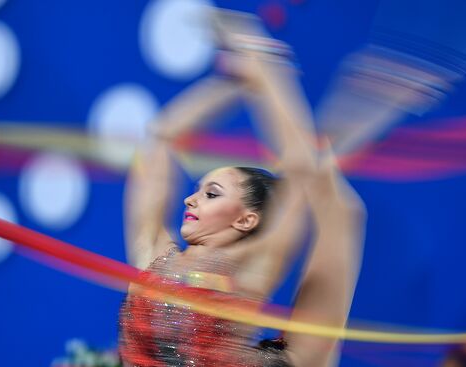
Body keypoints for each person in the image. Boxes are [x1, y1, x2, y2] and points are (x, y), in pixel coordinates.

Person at [119, 10, 365, 367]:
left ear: (247, 220)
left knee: (344, 213)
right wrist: (236, 80)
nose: (190, 198)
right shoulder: (152, 254)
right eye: (198, 189)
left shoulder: (250, 268)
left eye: (212, 193)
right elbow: (161, 138)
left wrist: (265, 66)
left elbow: (299, 173)